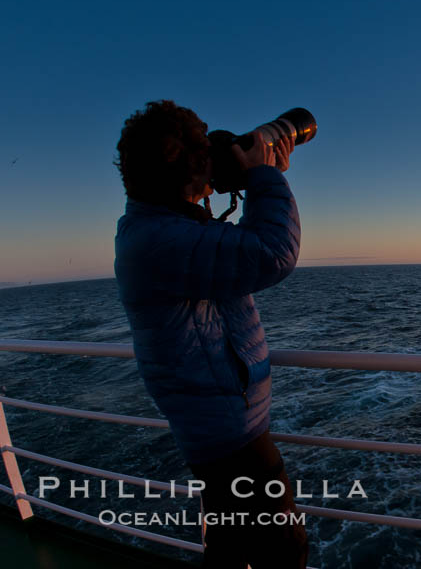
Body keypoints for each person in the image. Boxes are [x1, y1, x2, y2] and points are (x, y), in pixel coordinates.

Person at [113, 100, 307, 568]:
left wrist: (255, 177)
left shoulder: (159, 229)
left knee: (229, 548)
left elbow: (227, 253)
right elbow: (271, 253)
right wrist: (263, 177)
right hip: (229, 434)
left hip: (217, 422)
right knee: (285, 551)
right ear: (185, 173)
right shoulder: (159, 240)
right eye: (202, 155)